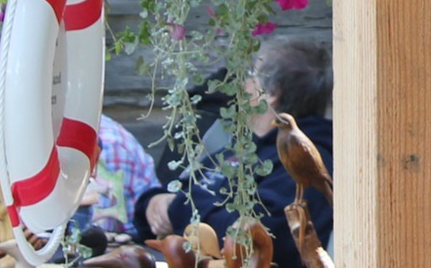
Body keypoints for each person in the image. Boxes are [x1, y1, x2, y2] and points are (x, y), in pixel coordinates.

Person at [133, 38, 335, 268]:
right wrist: (153, 204)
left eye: (251, 74)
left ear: (270, 94)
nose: (244, 83)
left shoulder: (305, 160)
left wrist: (176, 208)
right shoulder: (246, 146)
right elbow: (183, 189)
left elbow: (259, 238)